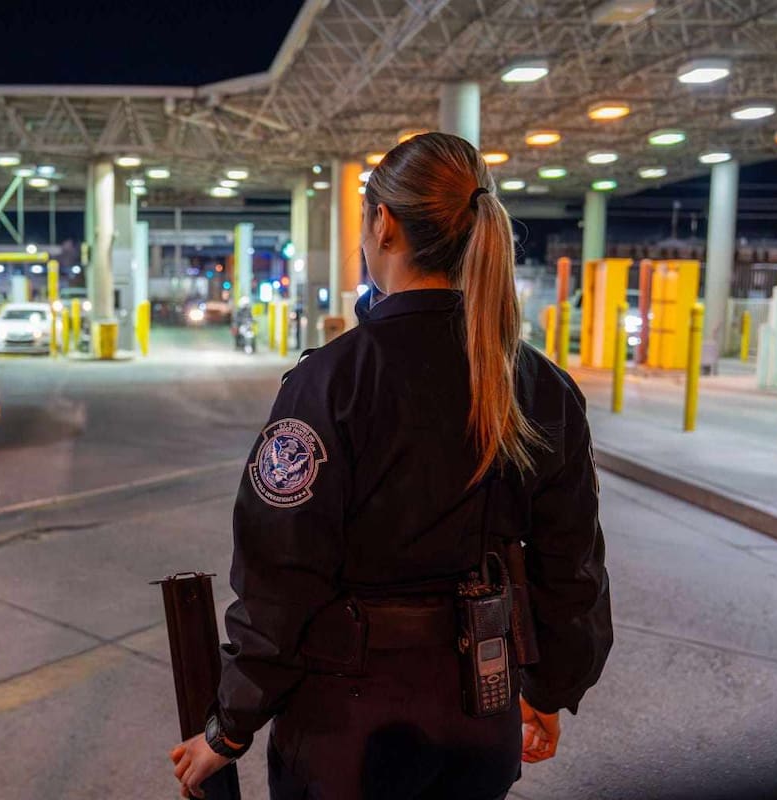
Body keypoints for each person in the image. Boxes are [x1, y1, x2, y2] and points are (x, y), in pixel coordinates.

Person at [170, 131, 612, 799]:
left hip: (348, 733)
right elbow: (572, 569)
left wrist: (228, 727)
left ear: (384, 223)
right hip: (481, 716)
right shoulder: (538, 385)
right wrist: (549, 688)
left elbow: (279, 578)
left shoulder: (330, 382)